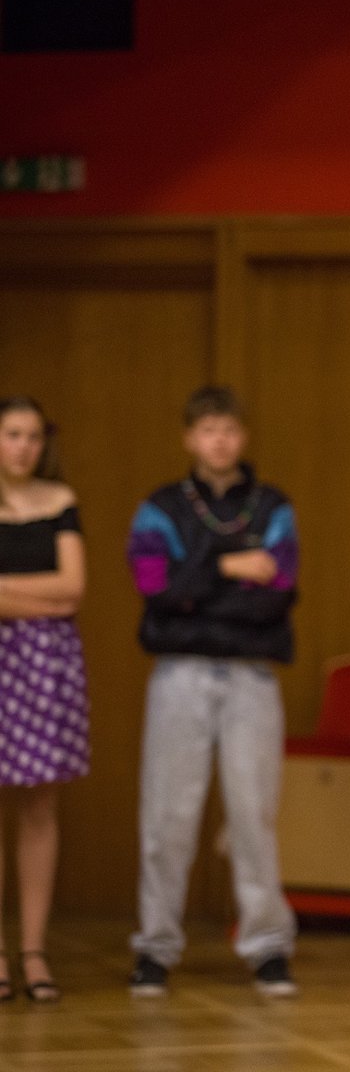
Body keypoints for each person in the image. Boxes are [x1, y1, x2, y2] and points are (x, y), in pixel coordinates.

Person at [125, 386, 301, 998]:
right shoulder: (160, 508)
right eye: (207, 430)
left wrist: (194, 586)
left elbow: (277, 591)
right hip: (179, 674)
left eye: (228, 429)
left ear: (242, 436)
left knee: (254, 815)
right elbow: (155, 586)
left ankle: (268, 945)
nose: (219, 440)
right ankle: (155, 947)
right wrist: (231, 567)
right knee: (166, 817)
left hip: (252, 675)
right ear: (189, 438)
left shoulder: (272, 506)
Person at [0, 397, 87, 1003]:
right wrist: (43, 599)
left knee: (39, 806)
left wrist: (6, 590)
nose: (23, 447)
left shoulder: (60, 500)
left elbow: (73, 589)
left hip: (47, 665)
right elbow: (54, 594)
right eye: (12, 434)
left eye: (33, 436)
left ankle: (34, 950)